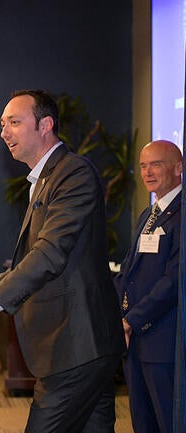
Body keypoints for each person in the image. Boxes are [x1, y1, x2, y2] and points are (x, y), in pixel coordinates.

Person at [0, 89, 125, 433]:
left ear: (45, 125)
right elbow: (25, 263)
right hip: (83, 348)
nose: (4, 132)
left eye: (14, 122)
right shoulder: (45, 179)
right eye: (2, 124)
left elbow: (49, 254)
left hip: (76, 347)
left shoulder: (73, 173)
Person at [114, 139, 182, 433]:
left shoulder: (180, 214)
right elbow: (129, 272)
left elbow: (173, 280)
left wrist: (131, 321)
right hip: (136, 342)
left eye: (156, 164)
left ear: (179, 168)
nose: (148, 172)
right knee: (142, 422)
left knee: (167, 422)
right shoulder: (149, 214)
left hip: (164, 343)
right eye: (143, 166)